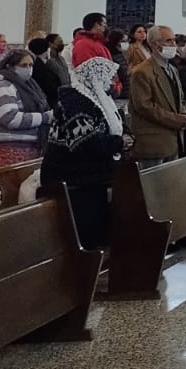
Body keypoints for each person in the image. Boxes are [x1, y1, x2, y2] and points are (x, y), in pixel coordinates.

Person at [43, 57, 126, 248]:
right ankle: (88, 262)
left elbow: (114, 127)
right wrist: (120, 143)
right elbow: (85, 144)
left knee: (100, 230)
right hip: (71, 179)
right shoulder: (74, 103)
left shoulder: (99, 100)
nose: (111, 82)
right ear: (94, 78)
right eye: (108, 77)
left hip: (91, 177)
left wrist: (124, 138)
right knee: (85, 236)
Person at [128, 25, 186, 165]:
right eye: (168, 41)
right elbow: (144, 107)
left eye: (174, 40)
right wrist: (176, 120)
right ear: (154, 44)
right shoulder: (141, 72)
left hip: (173, 139)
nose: (173, 44)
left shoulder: (173, 69)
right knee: (153, 179)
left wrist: (185, 116)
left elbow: (179, 99)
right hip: (153, 141)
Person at [0, 48, 52, 168]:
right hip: (11, 149)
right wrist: (44, 117)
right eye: (24, 65)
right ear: (9, 66)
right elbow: (10, 119)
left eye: (31, 65)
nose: (28, 69)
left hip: (33, 146)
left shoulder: (28, 84)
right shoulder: (1, 86)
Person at [106, 27, 131, 94]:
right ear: (115, 42)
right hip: (120, 92)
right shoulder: (111, 57)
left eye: (127, 40)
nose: (126, 43)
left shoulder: (121, 53)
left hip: (127, 90)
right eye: (123, 41)